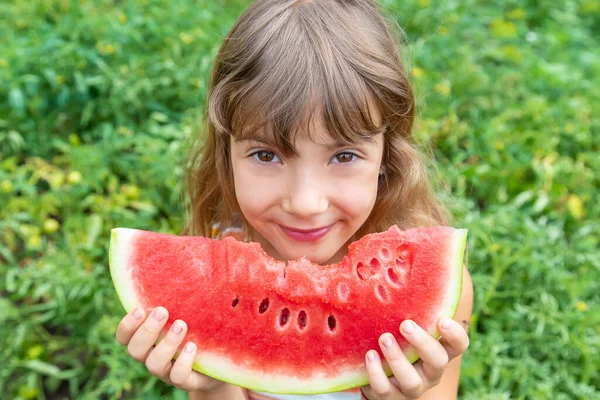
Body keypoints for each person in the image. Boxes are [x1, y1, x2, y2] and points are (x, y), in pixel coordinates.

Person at [115, 0, 473, 399]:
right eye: (267, 155)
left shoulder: (431, 294)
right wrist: (212, 385)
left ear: (386, 157)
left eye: (344, 156)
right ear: (227, 156)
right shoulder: (214, 262)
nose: (305, 203)